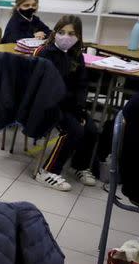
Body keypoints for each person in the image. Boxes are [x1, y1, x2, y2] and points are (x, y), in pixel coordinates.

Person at [33, 15, 98, 191]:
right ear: (55, 32)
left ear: (78, 36)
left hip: (69, 106)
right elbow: (49, 87)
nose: (66, 37)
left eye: (71, 33)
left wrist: (80, 110)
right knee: (73, 130)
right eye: (62, 32)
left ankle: (78, 165)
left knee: (92, 129)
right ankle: (47, 171)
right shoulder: (46, 53)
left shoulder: (77, 56)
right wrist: (74, 112)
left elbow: (82, 85)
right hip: (48, 104)